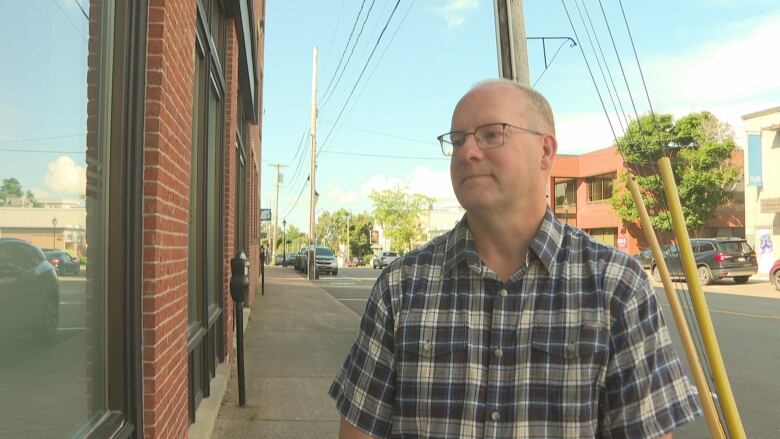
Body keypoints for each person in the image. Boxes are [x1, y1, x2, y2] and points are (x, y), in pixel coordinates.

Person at [329, 79, 701, 438]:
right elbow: (361, 428)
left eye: (491, 134)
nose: (467, 152)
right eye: (457, 140)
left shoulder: (617, 286)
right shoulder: (401, 287)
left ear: (545, 151)